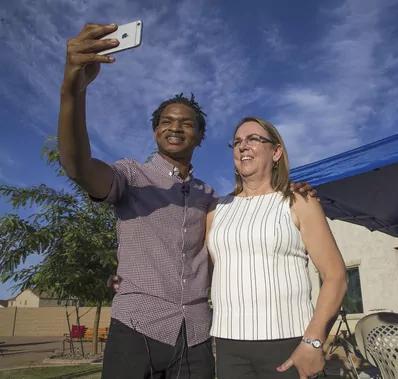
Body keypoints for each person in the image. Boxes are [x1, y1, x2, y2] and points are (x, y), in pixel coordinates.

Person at [58, 23, 315, 379]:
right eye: (166, 121)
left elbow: (246, 224)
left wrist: (290, 187)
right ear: (155, 130)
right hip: (137, 328)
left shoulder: (213, 200)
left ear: (199, 136)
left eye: (186, 123)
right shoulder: (131, 177)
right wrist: (73, 87)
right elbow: (78, 165)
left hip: (195, 337)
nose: (175, 127)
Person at [206, 117, 348, 379]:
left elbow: (335, 275)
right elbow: (206, 273)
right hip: (228, 347)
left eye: (253, 139)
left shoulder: (299, 201)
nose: (243, 146)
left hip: (288, 344)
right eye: (237, 142)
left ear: (276, 152)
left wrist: (314, 341)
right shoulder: (216, 211)